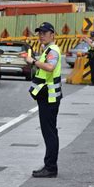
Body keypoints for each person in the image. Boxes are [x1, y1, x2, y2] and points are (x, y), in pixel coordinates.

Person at [24, 22, 62, 178]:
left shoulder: (52, 50)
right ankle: (50, 165)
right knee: (50, 132)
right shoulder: (47, 50)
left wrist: (32, 61)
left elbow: (50, 68)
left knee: (49, 133)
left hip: (49, 98)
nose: (41, 35)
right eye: (39, 33)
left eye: (44, 33)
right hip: (47, 97)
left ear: (52, 35)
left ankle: (50, 167)